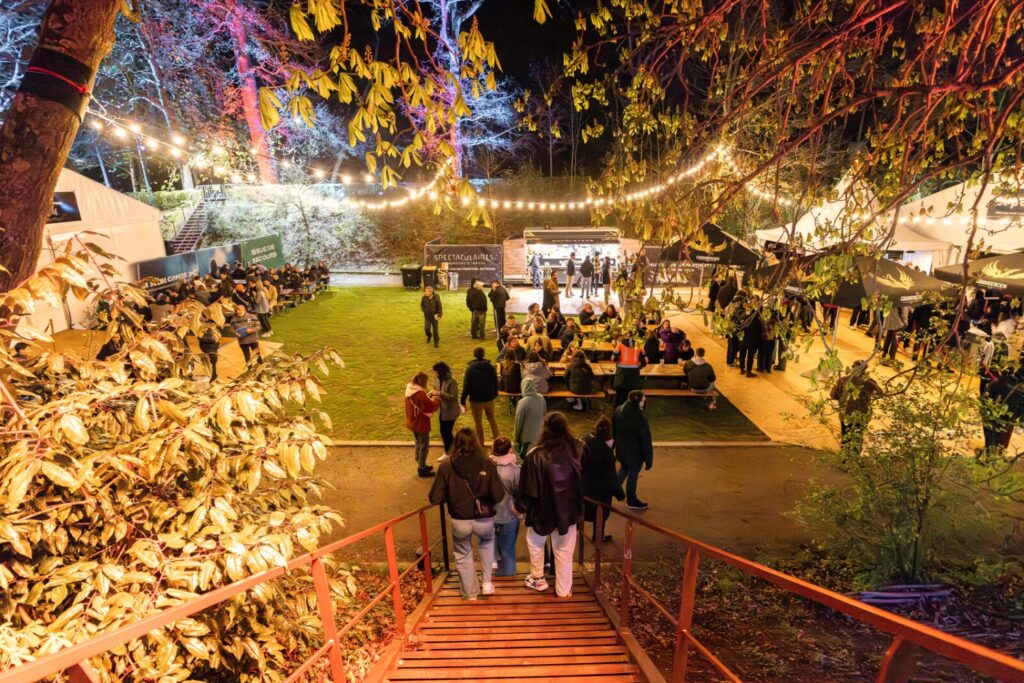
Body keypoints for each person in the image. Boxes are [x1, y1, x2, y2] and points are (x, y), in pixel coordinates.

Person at [428, 428, 505, 599]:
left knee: (463, 554)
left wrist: (452, 497)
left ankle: (470, 593)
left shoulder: (446, 467)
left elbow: (435, 498)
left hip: (459, 519)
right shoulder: (487, 463)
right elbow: (499, 494)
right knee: (487, 543)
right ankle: (486, 582)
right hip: (484, 519)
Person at [516, 412, 584, 597]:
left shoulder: (535, 454)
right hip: (568, 513)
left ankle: (538, 578)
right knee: (564, 552)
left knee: (535, 542)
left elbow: (527, 488)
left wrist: (521, 506)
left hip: (541, 511)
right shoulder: (578, 449)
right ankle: (563, 590)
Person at [582, 416, 624, 541]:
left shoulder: (587, 440)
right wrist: (620, 495)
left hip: (584, 487)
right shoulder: (606, 454)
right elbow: (611, 478)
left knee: (585, 511)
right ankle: (599, 536)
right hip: (600, 492)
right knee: (600, 514)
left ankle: (579, 530)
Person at [830, 360, 882, 454]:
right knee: (857, 437)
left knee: (846, 437)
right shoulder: (868, 382)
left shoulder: (843, 380)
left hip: (846, 414)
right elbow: (880, 393)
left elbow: (833, 395)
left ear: (852, 367)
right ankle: (854, 459)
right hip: (861, 415)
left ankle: (845, 459)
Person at [614, 390, 654, 510]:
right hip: (634, 454)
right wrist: (649, 460)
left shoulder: (618, 410)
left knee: (623, 470)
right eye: (643, 399)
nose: (644, 401)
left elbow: (614, 430)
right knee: (632, 474)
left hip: (621, 449)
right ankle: (632, 500)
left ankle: (611, 490)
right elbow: (645, 440)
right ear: (639, 402)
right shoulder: (640, 418)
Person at [489, 436, 521, 577]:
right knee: (508, 550)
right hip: (509, 514)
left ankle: (490, 579)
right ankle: (508, 578)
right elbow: (519, 492)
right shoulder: (515, 470)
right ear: (509, 450)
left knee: (489, 549)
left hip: (489, 515)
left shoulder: (487, 467)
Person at [460, 347, 500, 444]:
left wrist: (463, 400)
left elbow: (466, 386)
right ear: (483, 354)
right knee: (492, 420)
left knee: (478, 423)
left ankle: (480, 443)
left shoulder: (469, 369)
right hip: (489, 398)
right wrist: (495, 394)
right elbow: (495, 381)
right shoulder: (490, 366)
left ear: (474, 355)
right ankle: (499, 440)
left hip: (476, 400)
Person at [405, 371, 441, 477]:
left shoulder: (410, 388)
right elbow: (429, 406)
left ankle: (420, 462)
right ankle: (421, 468)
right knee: (424, 445)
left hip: (412, 421)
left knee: (418, 442)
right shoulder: (420, 394)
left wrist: (427, 395)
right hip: (420, 423)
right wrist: (437, 400)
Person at [513, 378, 547, 457]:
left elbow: (518, 422)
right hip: (540, 436)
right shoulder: (541, 398)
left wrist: (516, 439)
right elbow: (544, 414)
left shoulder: (523, 402)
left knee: (527, 459)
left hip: (527, 439)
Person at [433, 362, 460, 455]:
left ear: (441, 371)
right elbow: (436, 389)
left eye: (436, 371)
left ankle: (449, 452)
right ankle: (453, 450)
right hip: (441, 411)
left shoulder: (452, 382)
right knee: (444, 432)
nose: (435, 373)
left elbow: (453, 396)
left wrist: (440, 393)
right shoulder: (437, 379)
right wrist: (432, 393)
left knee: (446, 432)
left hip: (450, 411)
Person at [611, 336, 646, 406]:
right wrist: (640, 366)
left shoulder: (620, 344)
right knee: (633, 394)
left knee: (620, 395)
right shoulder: (639, 345)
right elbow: (645, 360)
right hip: (634, 375)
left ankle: (619, 409)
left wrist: (618, 360)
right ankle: (633, 407)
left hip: (622, 375)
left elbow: (613, 358)